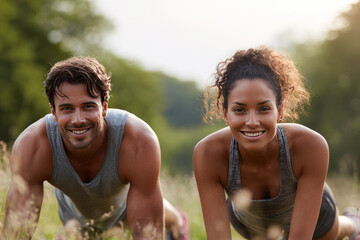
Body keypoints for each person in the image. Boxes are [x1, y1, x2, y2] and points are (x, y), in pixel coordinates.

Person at [2, 56, 189, 240]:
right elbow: (15, 234)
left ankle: (177, 221)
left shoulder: (138, 140)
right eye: (66, 108)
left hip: (128, 209)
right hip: (77, 221)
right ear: (53, 111)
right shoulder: (33, 146)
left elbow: (149, 235)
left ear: (104, 107)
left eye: (88, 106)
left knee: (161, 216)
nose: (78, 120)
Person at [193, 46, 359, 240]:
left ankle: (353, 223)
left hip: (318, 224)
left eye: (264, 108)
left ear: (279, 110)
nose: (252, 121)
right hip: (251, 224)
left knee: (335, 233)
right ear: (225, 113)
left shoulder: (310, 145)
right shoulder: (208, 153)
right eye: (240, 110)